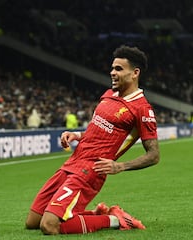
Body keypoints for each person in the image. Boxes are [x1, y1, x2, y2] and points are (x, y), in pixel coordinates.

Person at [25, 45, 160, 235]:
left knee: (48, 225)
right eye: (112, 68)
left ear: (135, 73)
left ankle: (115, 219)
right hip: (73, 161)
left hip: (90, 170)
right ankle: (95, 214)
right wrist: (77, 135)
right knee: (33, 221)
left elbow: (154, 155)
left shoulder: (142, 109)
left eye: (119, 69)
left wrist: (120, 166)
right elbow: (96, 127)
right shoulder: (108, 95)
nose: (112, 72)